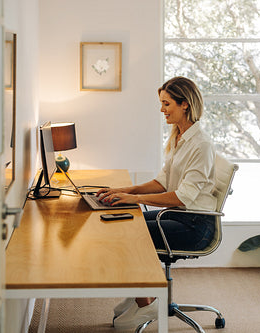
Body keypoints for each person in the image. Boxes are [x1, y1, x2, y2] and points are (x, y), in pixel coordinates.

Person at [96, 76, 217, 330]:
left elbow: (182, 197)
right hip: (179, 216)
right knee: (122, 224)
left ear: (185, 104)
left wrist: (135, 198)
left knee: (130, 234)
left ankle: (148, 302)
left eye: (166, 103)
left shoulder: (201, 145)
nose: (162, 109)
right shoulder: (179, 138)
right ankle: (142, 290)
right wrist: (122, 190)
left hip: (196, 226)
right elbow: (162, 183)